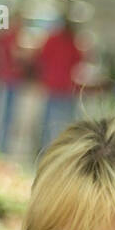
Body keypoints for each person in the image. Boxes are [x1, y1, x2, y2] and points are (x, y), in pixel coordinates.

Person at [36, 17, 85, 153]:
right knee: (65, 122)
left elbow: (41, 58)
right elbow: (79, 60)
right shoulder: (72, 42)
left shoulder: (53, 39)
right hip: (65, 87)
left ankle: (46, 150)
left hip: (53, 86)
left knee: (48, 122)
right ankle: (59, 149)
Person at [0, 11, 26, 154]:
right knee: (7, 115)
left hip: (3, 78)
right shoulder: (13, 38)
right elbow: (16, 56)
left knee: (2, 113)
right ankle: (1, 145)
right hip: (10, 79)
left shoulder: (3, 37)